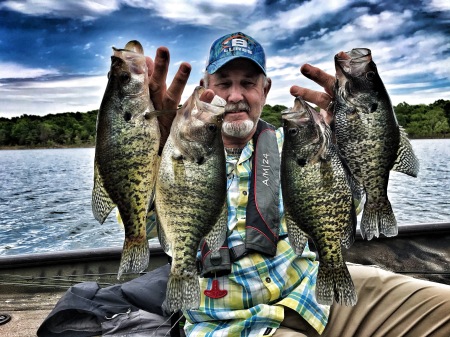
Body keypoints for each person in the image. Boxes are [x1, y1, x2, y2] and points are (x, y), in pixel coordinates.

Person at [146, 32, 450, 336]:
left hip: (313, 292)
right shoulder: (172, 153)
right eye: (224, 83)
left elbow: (345, 207)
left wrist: (351, 130)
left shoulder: (292, 144)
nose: (235, 96)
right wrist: (151, 148)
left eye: (249, 83)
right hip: (232, 323)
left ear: (265, 90)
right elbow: (145, 226)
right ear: (204, 90)